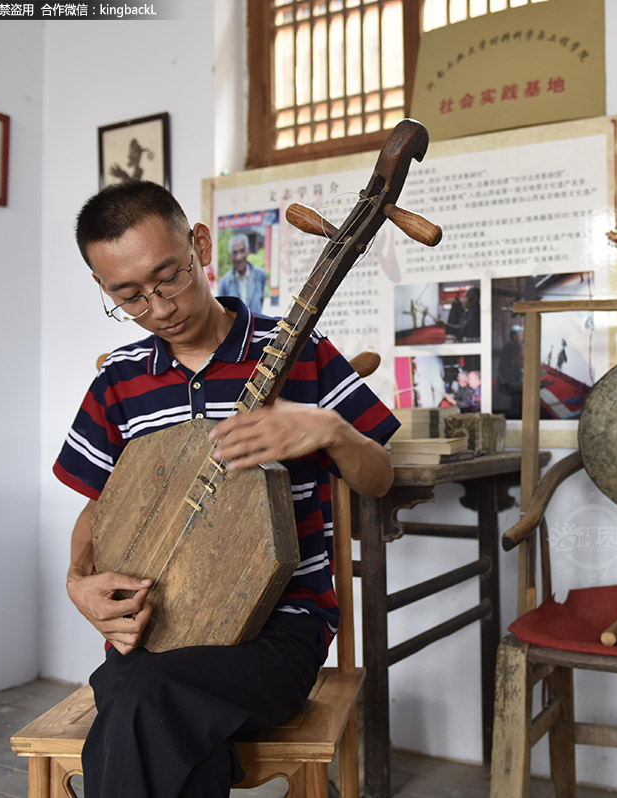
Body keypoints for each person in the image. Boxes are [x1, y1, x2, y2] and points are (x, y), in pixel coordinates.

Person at [53, 181, 398, 798]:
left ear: (201, 246)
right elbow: (96, 512)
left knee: (135, 699)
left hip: (280, 634)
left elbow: (379, 477)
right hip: (158, 632)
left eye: (169, 278)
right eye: (129, 297)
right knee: (153, 711)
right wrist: (79, 585)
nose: (158, 307)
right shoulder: (119, 383)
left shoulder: (300, 353)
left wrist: (330, 429)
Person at [218, 233, 268, 314]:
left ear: (247, 251)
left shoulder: (260, 276)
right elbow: (222, 313)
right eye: (235, 252)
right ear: (230, 256)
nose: (239, 257)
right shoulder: (224, 283)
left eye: (242, 251)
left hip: (255, 325)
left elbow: (260, 303)